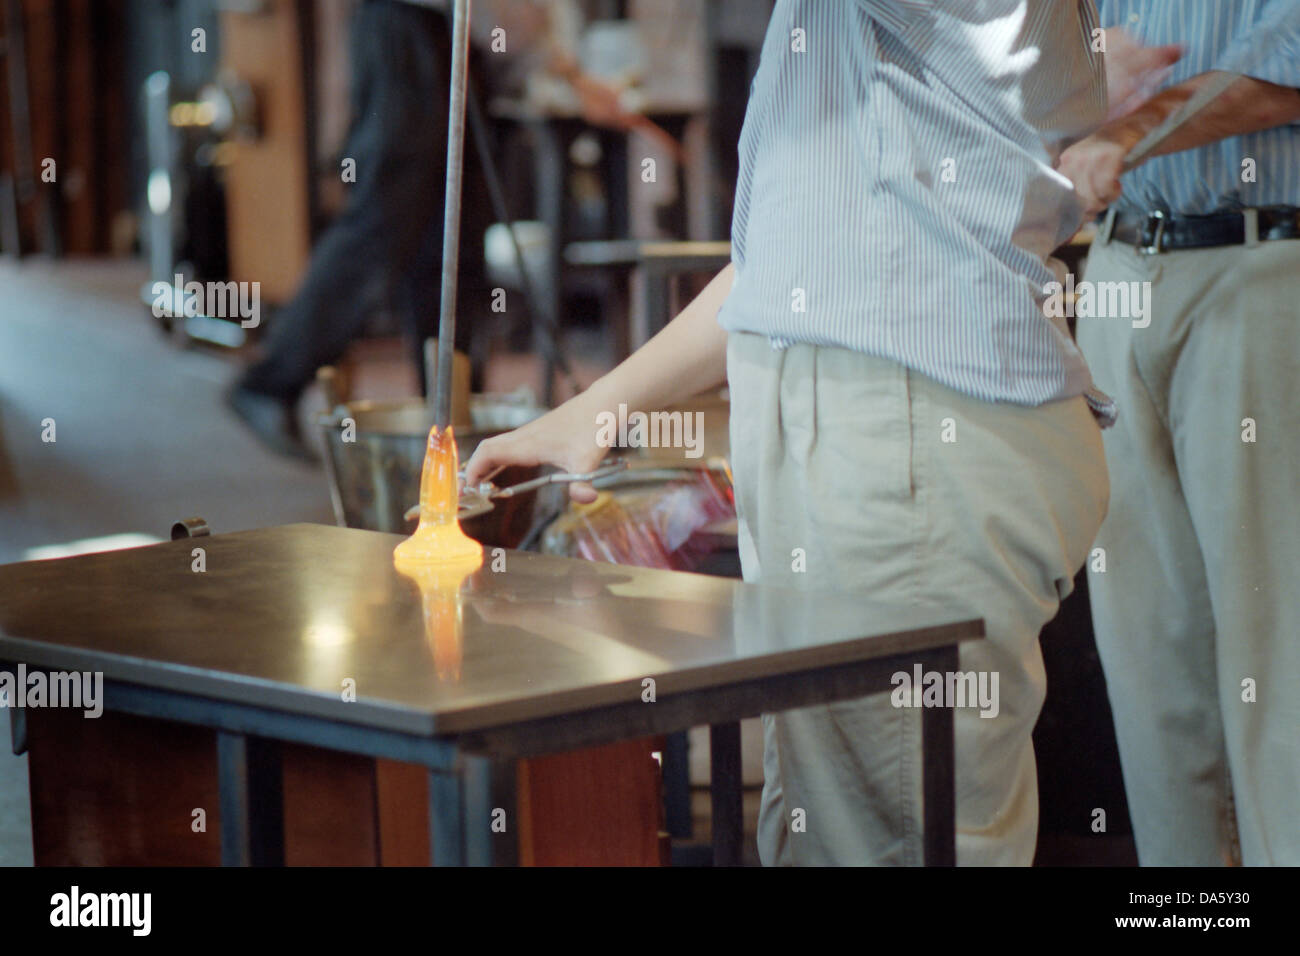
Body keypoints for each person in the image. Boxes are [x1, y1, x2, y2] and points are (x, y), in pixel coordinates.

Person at [466, 1, 1173, 864]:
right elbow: (795, 264)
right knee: (831, 827)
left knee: (883, 839)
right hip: (892, 434)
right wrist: (598, 409)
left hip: (907, 443)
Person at [1057, 0, 1300, 866]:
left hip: (1263, 261)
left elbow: (1287, 59)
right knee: (1147, 661)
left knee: (1278, 660)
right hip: (1118, 265)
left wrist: (1128, 133)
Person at [227, 0, 626, 459]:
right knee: (382, 224)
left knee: (454, 244)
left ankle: (451, 425)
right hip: (409, 26)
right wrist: (560, 65)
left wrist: (558, 65)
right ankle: (272, 382)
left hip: (455, 37)